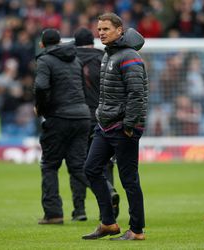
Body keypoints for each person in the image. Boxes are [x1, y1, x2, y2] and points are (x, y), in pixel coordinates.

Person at [82, 13, 148, 240]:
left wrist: (129, 125)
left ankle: (137, 230)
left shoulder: (129, 56)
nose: (101, 33)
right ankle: (108, 223)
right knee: (90, 168)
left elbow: (136, 94)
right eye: (99, 29)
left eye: (106, 29)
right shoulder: (108, 55)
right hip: (106, 124)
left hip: (123, 127)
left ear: (120, 30)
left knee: (129, 179)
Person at [33, 28, 91, 224]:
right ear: (59, 42)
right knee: (79, 166)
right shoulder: (75, 59)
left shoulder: (44, 60)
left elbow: (41, 86)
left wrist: (40, 107)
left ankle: (53, 213)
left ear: (42, 44)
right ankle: (108, 191)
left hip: (59, 117)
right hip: (82, 116)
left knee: (50, 165)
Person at [73, 27, 120, 220]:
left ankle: (79, 210)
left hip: (78, 118)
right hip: (103, 117)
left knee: (78, 163)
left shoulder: (70, 60)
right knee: (106, 163)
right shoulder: (105, 58)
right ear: (92, 42)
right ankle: (109, 211)